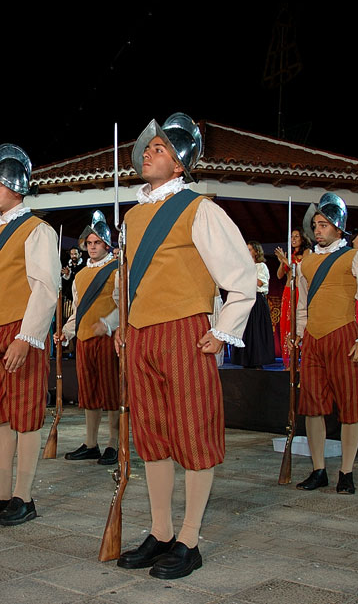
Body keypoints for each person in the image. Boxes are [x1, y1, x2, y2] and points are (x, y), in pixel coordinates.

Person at [114, 114, 255, 580]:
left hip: (184, 332)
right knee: (151, 437)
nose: (148, 152)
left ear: (180, 165)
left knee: (194, 433)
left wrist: (223, 330)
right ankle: (159, 531)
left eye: (159, 148)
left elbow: (242, 278)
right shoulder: (133, 216)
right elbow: (130, 278)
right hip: (141, 335)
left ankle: (189, 540)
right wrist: (124, 323)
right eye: (148, 147)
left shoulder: (200, 209)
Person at [0, 143, 60, 526]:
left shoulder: (37, 230)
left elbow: (46, 288)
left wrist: (27, 336)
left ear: (18, 186)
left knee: (26, 417)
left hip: (24, 333)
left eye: (0, 184)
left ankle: (24, 496)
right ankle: (1, 493)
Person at [291, 193, 358, 495]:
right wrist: (300, 333)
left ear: (339, 228)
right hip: (314, 342)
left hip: (344, 337)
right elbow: (303, 305)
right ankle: (319, 469)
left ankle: (346, 471)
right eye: (316, 224)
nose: (318, 230)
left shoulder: (355, 257)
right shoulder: (304, 262)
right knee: (313, 408)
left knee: (350, 407)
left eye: (325, 224)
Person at [54, 210, 119, 465]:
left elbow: (121, 305)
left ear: (106, 244)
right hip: (84, 339)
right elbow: (78, 311)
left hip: (107, 339)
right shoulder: (79, 276)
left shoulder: (115, 270)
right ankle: (91, 443)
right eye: (89, 243)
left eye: (97, 243)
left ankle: (114, 443)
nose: (92, 247)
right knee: (89, 393)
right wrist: (66, 332)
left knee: (111, 392)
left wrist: (107, 324)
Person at [231, 241, 277, 369]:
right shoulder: (244, 267)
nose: (247, 252)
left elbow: (260, 283)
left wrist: (247, 272)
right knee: (245, 331)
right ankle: (245, 360)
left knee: (256, 331)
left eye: (250, 249)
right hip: (245, 299)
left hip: (256, 300)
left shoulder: (261, 266)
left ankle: (258, 360)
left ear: (256, 252)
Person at [274, 230, 311, 360]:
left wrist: (285, 260)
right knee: (286, 324)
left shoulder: (307, 253)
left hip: (299, 291)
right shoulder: (290, 255)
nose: (293, 239)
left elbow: (300, 270)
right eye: (291, 237)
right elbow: (279, 275)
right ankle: (289, 361)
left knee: (297, 323)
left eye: (296, 236)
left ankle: (300, 359)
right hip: (287, 291)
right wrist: (281, 261)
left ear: (303, 238)